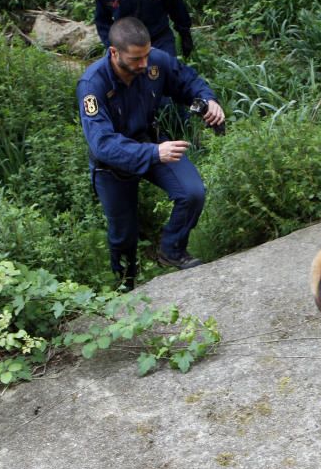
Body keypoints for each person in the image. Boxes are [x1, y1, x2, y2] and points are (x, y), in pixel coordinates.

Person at [77, 16, 225, 289]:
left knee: (192, 192)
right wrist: (154, 153)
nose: (144, 65)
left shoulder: (154, 61)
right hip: (113, 164)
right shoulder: (92, 85)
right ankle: (126, 285)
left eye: (146, 55)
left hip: (153, 142)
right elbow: (103, 144)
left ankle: (172, 250)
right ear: (114, 53)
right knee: (123, 237)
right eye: (135, 59)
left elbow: (188, 81)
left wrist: (209, 101)